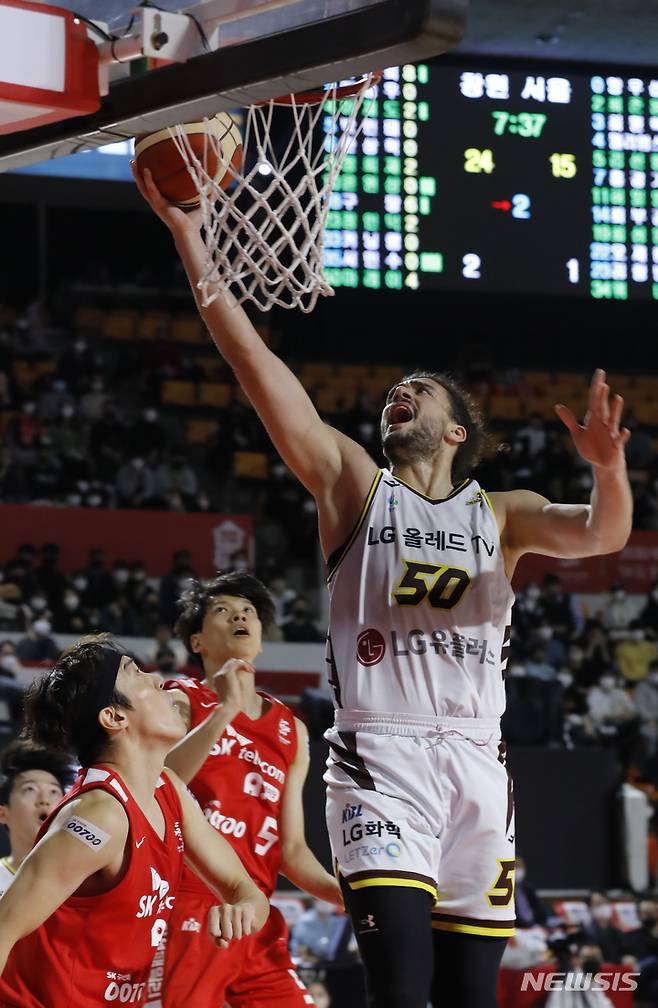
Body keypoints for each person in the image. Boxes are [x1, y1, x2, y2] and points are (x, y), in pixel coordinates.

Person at [135, 163, 633, 1008]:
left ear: (457, 429)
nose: (398, 394)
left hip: (480, 761)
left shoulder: (502, 512)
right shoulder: (353, 484)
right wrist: (193, 242)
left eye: (420, 391)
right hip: (381, 757)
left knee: (471, 995)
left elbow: (602, 533)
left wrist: (610, 468)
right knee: (401, 988)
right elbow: (254, 362)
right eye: (394, 392)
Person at [0, 634, 268, 1006]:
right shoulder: (99, 815)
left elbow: (244, 886)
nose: (160, 680)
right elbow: (3, 928)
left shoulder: (167, 789)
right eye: (136, 673)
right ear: (114, 716)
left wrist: (243, 910)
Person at [153, 571, 342, 1007]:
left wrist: (341, 893)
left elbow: (290, 849)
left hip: (256, 909)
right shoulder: (178, 699)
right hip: (191, 898)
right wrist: (225, 711)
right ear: (197, 642)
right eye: (223, 610)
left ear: (260, 637)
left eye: (249, 612)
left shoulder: (291, 729)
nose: (240, 616)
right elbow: (155, 785)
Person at [0, 739, 74, 897]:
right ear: (3, 814)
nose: (44, 800)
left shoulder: (84, 879)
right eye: (30, 789)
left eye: (54, 792)